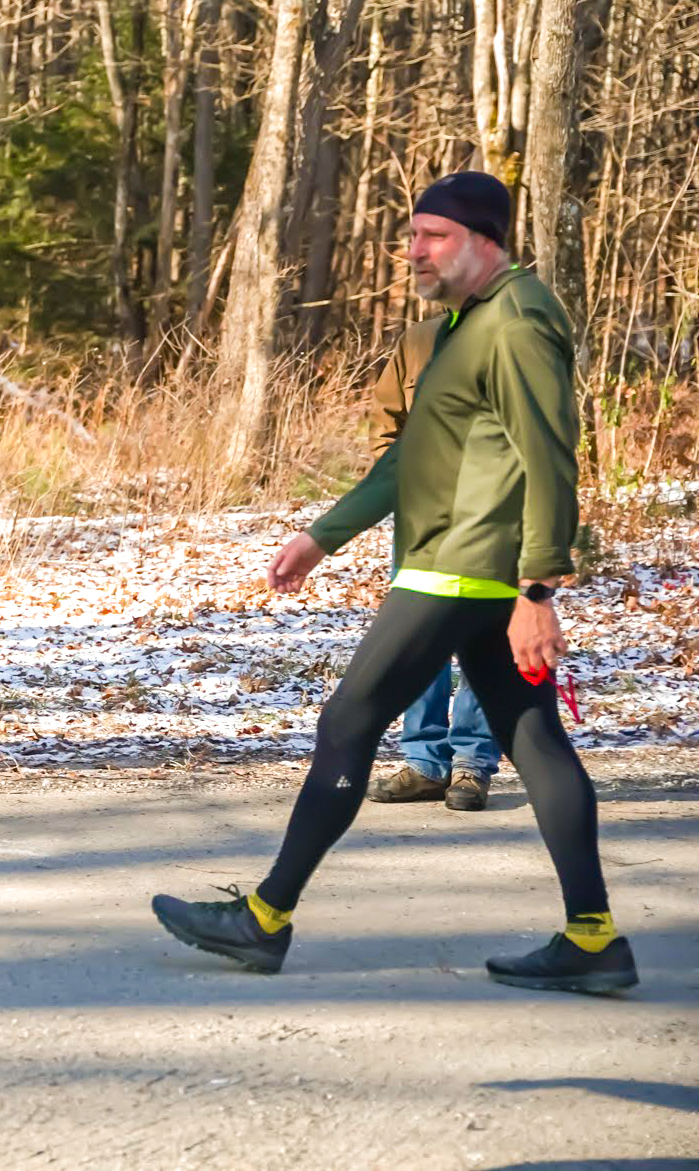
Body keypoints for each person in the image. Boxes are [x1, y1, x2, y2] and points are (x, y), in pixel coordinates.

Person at [152, 171, 638, 994]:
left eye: (433, 236)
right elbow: (414, 454)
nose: (414, 250)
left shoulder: (517, 322)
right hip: (461, 563)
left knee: (349, 718)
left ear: (485, 240)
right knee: (533, 738)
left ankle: (265, 918)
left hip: (466, 567)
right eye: (411, 234)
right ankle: (593, 937)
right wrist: (323, 535)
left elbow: (553, 457)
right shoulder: (462, 322)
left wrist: (538, 589)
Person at [364, 317, 501, 812]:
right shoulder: (418, 339)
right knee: (420, 635)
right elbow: (386, 417)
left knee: (482, 636)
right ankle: (424, 762)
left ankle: (472, 764)